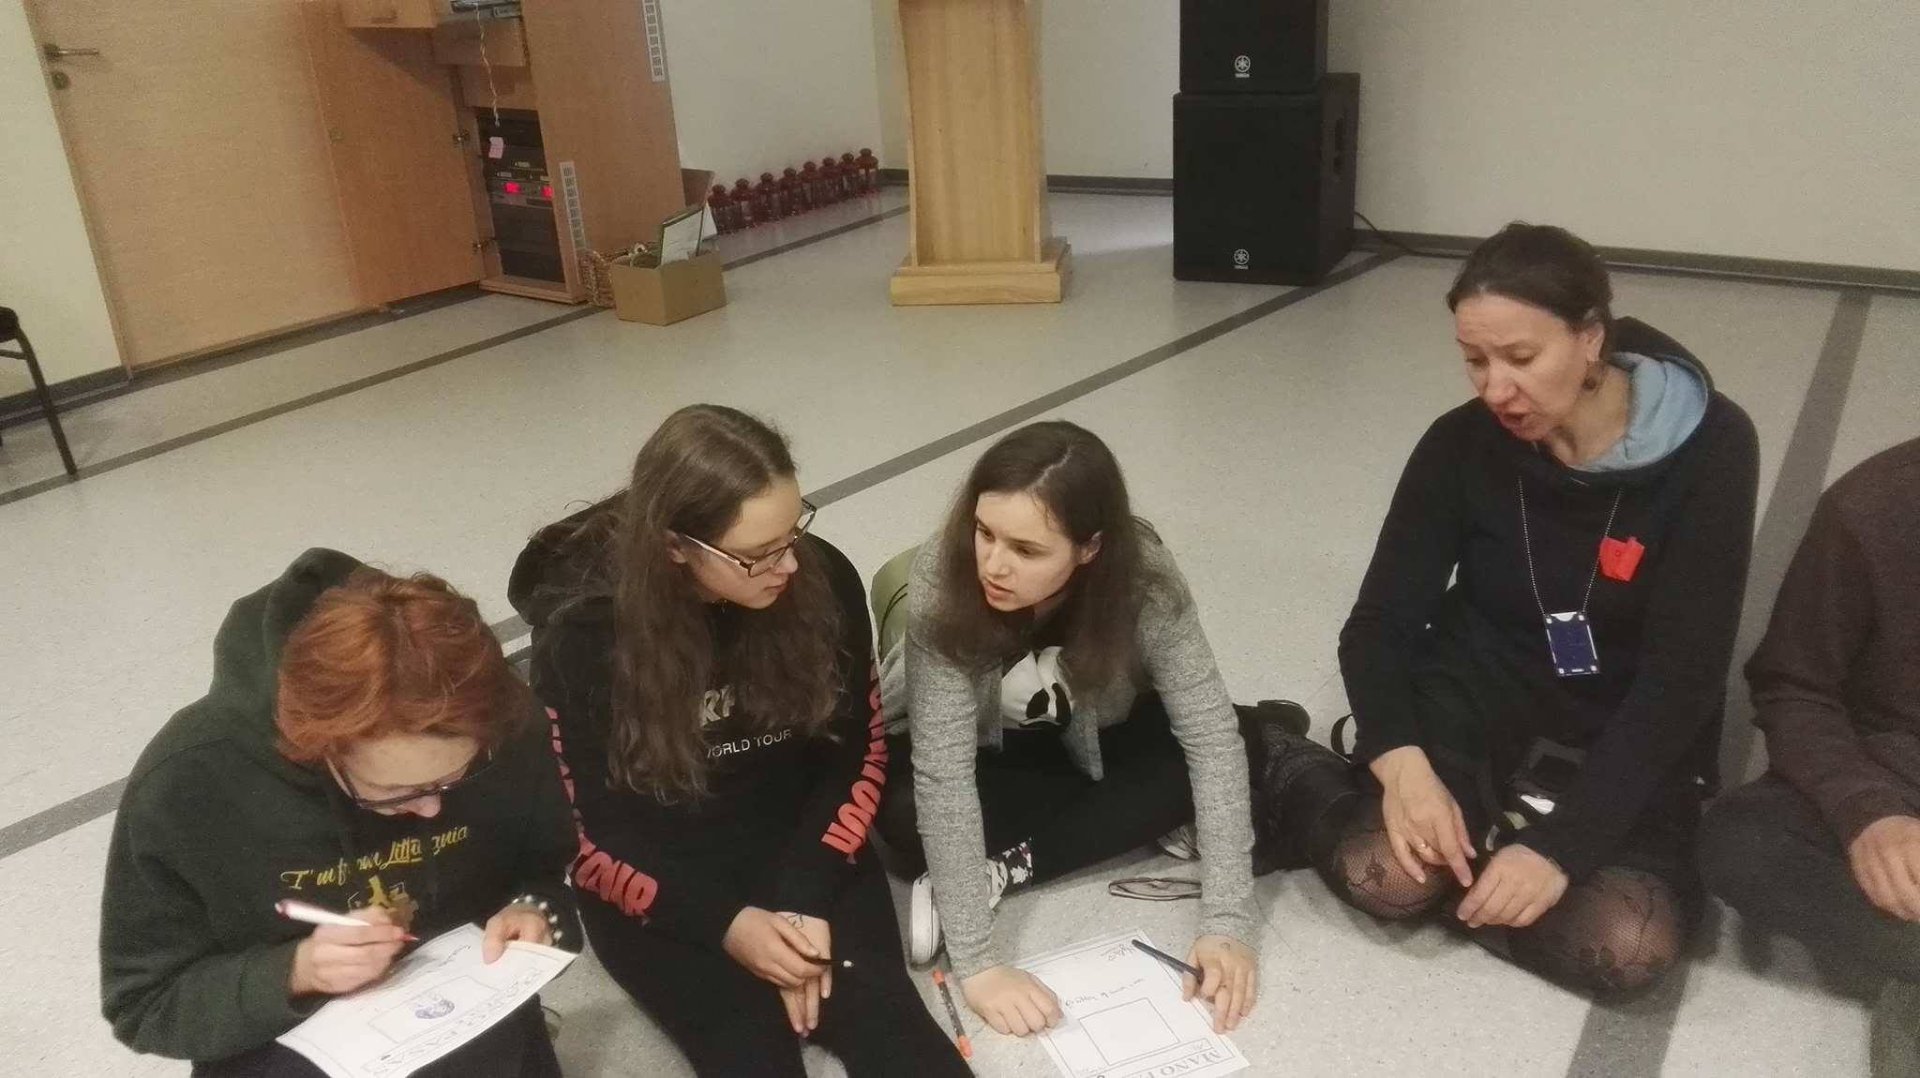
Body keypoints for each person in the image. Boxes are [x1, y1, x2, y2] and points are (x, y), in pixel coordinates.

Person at [1264, 222, 1759, 994]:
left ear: (1590, 338)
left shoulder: (1714, 446)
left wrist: (1561, 848)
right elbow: (1379, 624)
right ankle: (1289, 768)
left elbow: (1682, 681)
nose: (1495, 389)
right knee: (1389, 877)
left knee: (1625, 946)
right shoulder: (1459, 443)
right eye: (1475, 360)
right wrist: (1402, 763)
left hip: (1619, 731)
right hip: (1478, 705)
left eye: (1521, 358)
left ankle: (1487, 872)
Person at [509, 404, 968, 1078]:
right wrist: (725, 924)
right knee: (746, 1051)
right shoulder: (584, 637)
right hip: (665, 880)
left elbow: (856, 754)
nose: (788, 564)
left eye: (793, 531)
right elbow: (588, 831)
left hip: (807, 848)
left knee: (894, 1032)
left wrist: (806, 895)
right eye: (757, 555)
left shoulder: (820, 580)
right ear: (675, 546)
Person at [875, 419, 1307, 1039]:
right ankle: (1108, 825)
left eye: (1026, 551)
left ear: (1089, 548)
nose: (993, 565)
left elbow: (1210, 738)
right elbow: (945, 774)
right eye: (984, 532)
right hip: (988, 749)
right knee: (903, 814)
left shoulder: (1145, 580)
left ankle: (1002, 868)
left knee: (1225, 745)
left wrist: (1228, 922)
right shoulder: (943, 579)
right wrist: (978, 963)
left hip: (1097, 738)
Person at [100, 551, 579, 1077]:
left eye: (456, 779)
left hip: (467, 1013)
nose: (431, 807)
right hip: (286, 1043)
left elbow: (543, 870)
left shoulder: (503, 723)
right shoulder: (189, 783)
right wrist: (296, 972)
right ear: (319, 745)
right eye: (394, 792)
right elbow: (145, 1003)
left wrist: (534, 911)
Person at [1699, 437, 1920, 1073]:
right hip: (1891, 771)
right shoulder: (1873, 505)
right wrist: (1869, 813)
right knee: (1741, 843)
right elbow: (1794, 686)